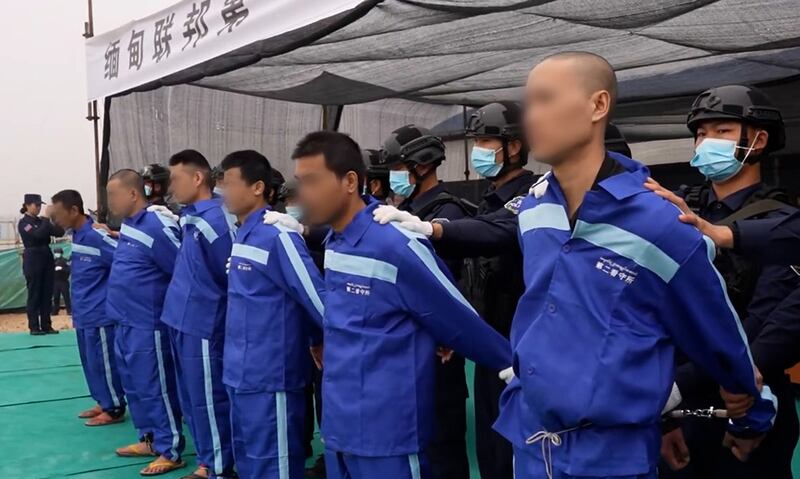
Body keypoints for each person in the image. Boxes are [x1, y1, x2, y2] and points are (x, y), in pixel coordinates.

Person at [266, 130, 511, 479]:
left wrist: (509, 365)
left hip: (388, 437)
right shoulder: (335, 242)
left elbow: (455, 313)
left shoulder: (395, 245)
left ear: (350, 181)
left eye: (312, 182)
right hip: (340, 428)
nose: (303, 195)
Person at [658, 85, 800, 478]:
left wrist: (676, 389)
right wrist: (667, 414)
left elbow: (767, 323)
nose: (706, 142)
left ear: (758, 139)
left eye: (721, 131)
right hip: (678, 406)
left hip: (748, 403)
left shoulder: (782, 223)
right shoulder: (678, 213)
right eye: (701, 134)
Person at [379, 124, 476, 479]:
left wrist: (446, 332)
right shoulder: (403, 208)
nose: (393, 176)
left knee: (443, 442)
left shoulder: (447, 213)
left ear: (420, 166)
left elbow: (452, 281)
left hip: (438, 344)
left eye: (398, 167)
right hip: (406, 342)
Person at [221, 150, 325, 479]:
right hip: (240, 374)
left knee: (275, 465)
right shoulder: (243, 234)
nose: (223, 191)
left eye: (230, 183)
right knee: (250, 459)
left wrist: (318, 339)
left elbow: (316, 299)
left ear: (257, 188)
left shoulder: (278, 237)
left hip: (271, 378)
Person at [157, 150, 237, 479]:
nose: (170, 187)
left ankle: (215, 466)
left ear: (198, 178)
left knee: (206, 400)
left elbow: (230, 273)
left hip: (202, 324)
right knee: (185, 398)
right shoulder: (188, 217)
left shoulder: (215, 220)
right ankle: (173, 449)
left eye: (175, 179)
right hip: (176, 321)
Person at [106, 169, 186, 476]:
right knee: (135, 385)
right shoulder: (127, 226)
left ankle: (171, 449)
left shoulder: (155, 226)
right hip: (123, 322)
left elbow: (180, 267)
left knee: (156, 386)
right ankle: (148, 438)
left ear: (133, 194)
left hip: (147, 323)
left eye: (114, 195)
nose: (110, 201)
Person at [50, 189, 126, 426]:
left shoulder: (95, 235)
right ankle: (102, 400)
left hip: (100, 314)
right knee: (90, 362)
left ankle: (114, 407)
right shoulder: (77, 235)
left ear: (74, 210)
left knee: (104, 362)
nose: (56, 220)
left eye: (59, 214)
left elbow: (124, 262)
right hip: (83, 314)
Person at [18, 193, 64, 335]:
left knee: (47, 292)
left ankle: (46, 324)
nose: (38, 208)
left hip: (46, 256)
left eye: (39, 205)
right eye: (35, 205)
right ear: (27, 205)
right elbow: (37, 235)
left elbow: (59, 232)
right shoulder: (24, 223)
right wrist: (45, 219)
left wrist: (53, 218)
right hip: (32, 257)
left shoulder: (41, 221)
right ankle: (34, 326)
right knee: (35, 292)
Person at [51, 247, 72, 316]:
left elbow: (69, 270)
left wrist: (62, 268)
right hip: (55, 281)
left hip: (63, 281)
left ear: (61, 253)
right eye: (56, 253)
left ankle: (69, 310)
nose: (57, 254)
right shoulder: (53, 262)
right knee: (56, 297)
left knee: (66, 297)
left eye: (58, 253)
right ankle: (55, 311)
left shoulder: (65, 261)